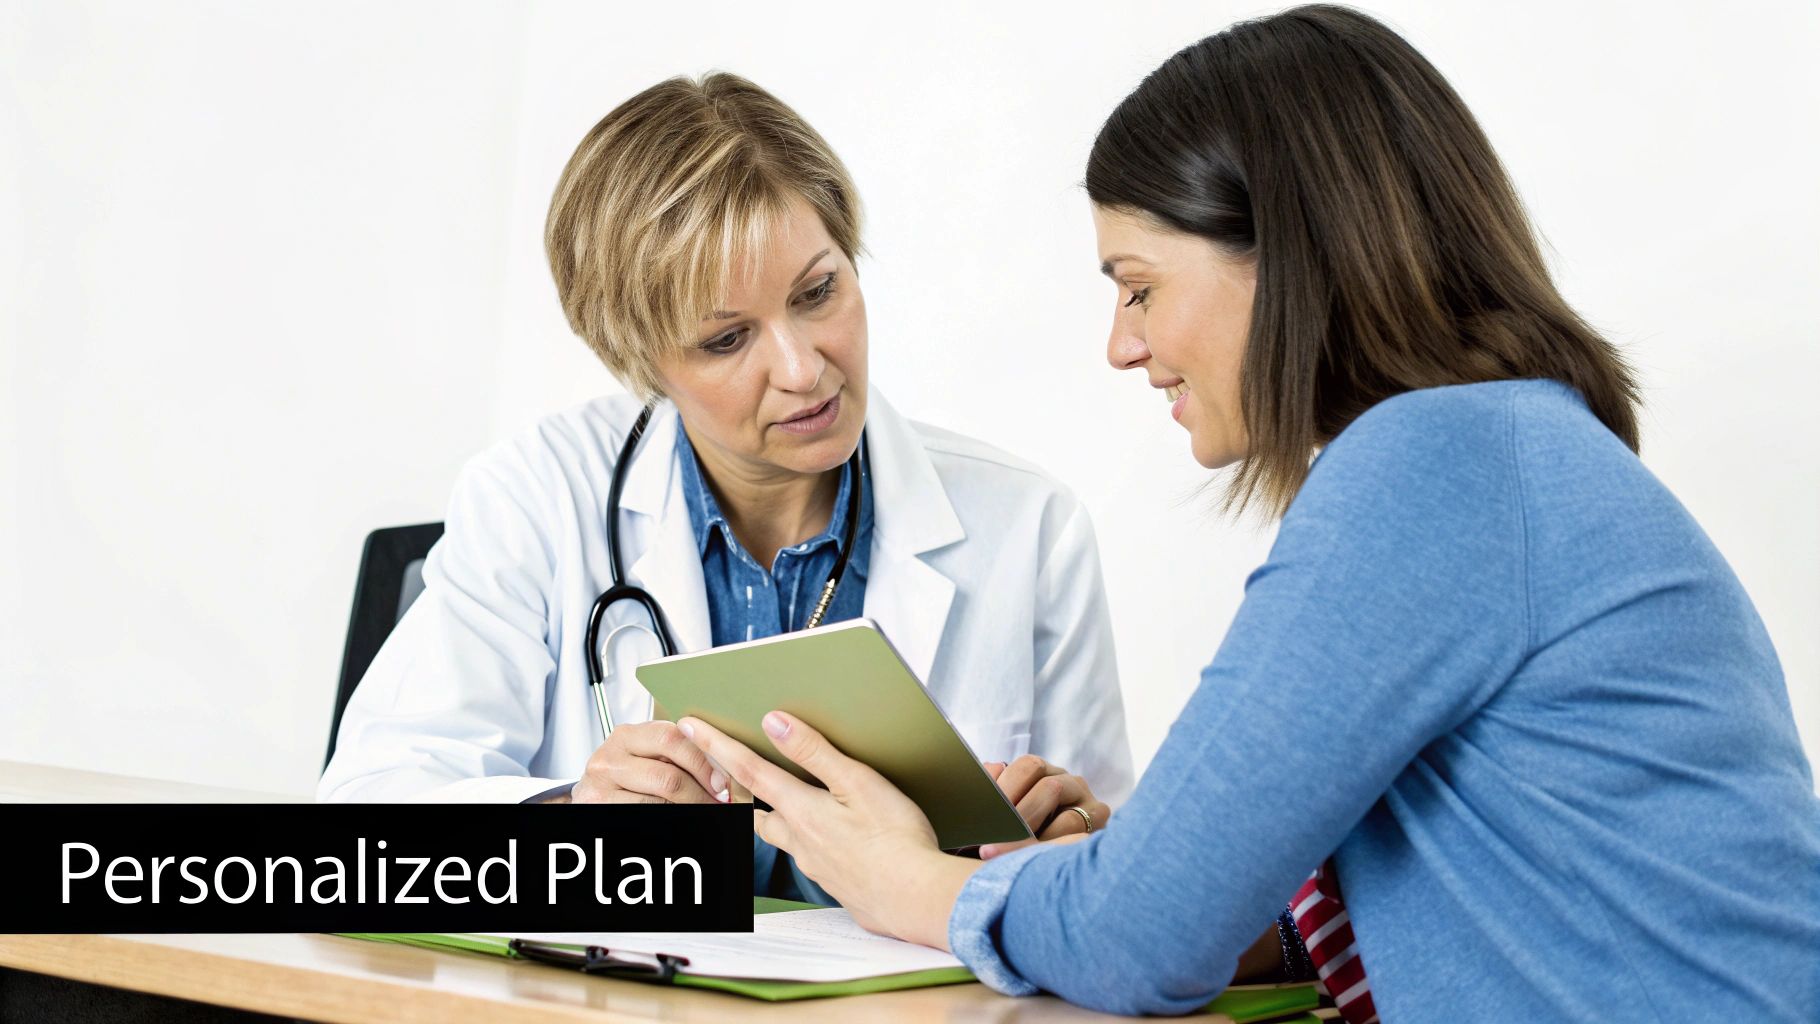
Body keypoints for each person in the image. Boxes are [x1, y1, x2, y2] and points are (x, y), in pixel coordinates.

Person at [674, 6, 1820, 1018]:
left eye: (1138, 285)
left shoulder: (1434, 465)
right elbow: (1462, 917)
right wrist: (1114, 873)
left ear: (1288, 259)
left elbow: (1138, 944)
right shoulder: (1499, 453)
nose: (1121, 343)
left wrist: (912, 881)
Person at [318, 73, 1133, 906]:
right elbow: (363, 825)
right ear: (640, 360)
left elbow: (1119, 884)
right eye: (726, 339)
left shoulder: (1031, 527)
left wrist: (1065, 854)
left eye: (818, 293)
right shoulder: (535, 494)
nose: (803, 368)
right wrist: (571, 814)